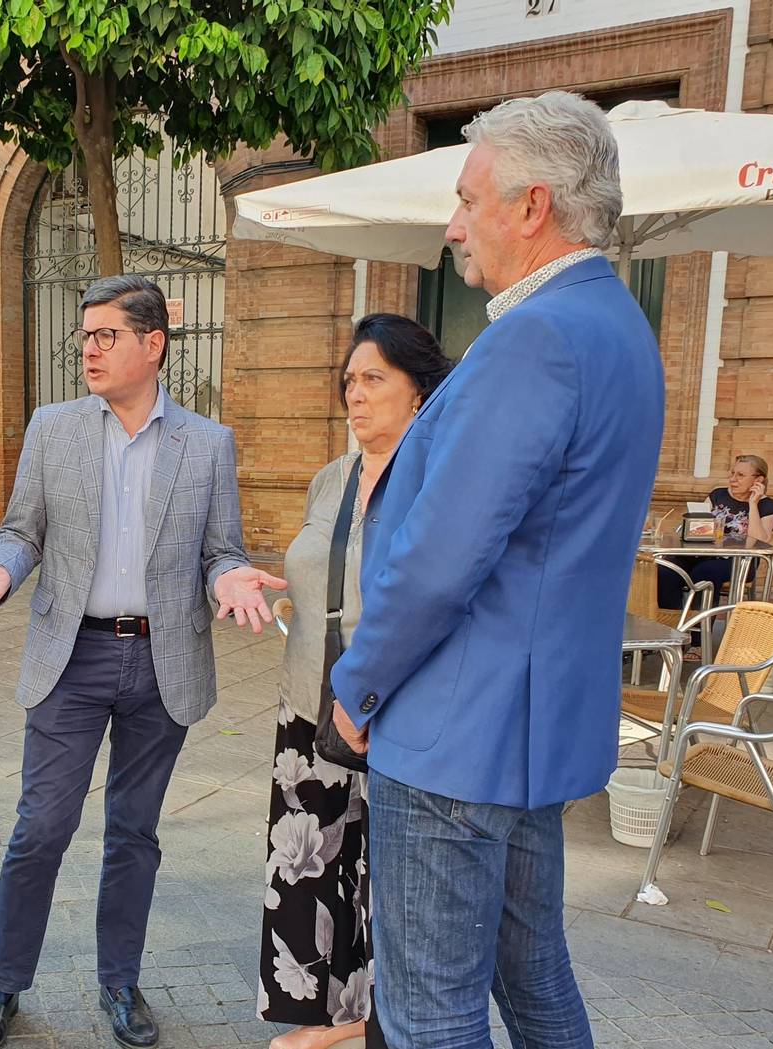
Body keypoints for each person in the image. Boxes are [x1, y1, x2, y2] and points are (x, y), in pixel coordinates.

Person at [328, 92, 665, 1047]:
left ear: (531, 205)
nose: (452, 226)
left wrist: (356, 683)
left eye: (468, 200)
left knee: (430, 1011)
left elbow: (443, 557)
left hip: (454, 735)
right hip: (532, 733)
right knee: (533, 978)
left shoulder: (535, 337)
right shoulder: (619, 327)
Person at [0, 275, 286, 1049]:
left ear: (152, 344)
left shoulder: (206, 442)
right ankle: (3, 984)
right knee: (42, 826)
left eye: (106, 336)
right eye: (85, 336)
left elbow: (219, 549)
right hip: (73, 654)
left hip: (163, 662)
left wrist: (227, 577)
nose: (88, 349)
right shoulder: (53, 428)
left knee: (134, 832)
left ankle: (119, 982)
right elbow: (22, 530)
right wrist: (0, 567)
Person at [261, 315, 452, 1049]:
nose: (356, 395)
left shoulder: (435, 481)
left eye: (375, 378)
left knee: (386, 884)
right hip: (306, 706)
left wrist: (370, 694)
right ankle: (333, 1018)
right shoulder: (331, 479)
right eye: (350, 380)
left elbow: (432, 598)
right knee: (314, 872)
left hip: (390, 714)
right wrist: (277, 591)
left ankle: (377, 1027)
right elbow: (324, 574)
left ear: (419, 390)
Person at [658, 455, 773, 627]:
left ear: (758, 480)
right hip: (702, 554)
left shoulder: (767, 505)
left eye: (740, 475)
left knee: (705, 573)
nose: (733, 479)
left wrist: (753, 504)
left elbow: (761, 541)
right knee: (666, 569)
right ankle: (670, 630)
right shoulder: (717, 495)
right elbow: (697, 526)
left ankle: (698, 641)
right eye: (732, 473)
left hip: (739, 562)